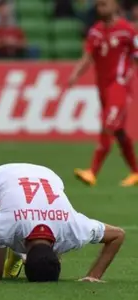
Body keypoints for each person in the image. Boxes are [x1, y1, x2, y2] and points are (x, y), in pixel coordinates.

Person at [0, 163, 125, 283]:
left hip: (47, 176)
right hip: (0, 179)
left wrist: (94, 276)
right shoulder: (4, 224)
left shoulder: (72, 228)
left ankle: (14, 252)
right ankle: (10, 251)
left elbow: (118, 235)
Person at [69, 0, 138, 187]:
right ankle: (135, 172)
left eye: (105, 4)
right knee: (119, 131)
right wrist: (75, 74)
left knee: (108, 125)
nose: (101, 8)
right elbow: (88, 56)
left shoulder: (127, 30)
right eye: (99, 5)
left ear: (115, 6)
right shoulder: (95, 31)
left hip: (119, 85)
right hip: (103, 88)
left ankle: (92, 172)